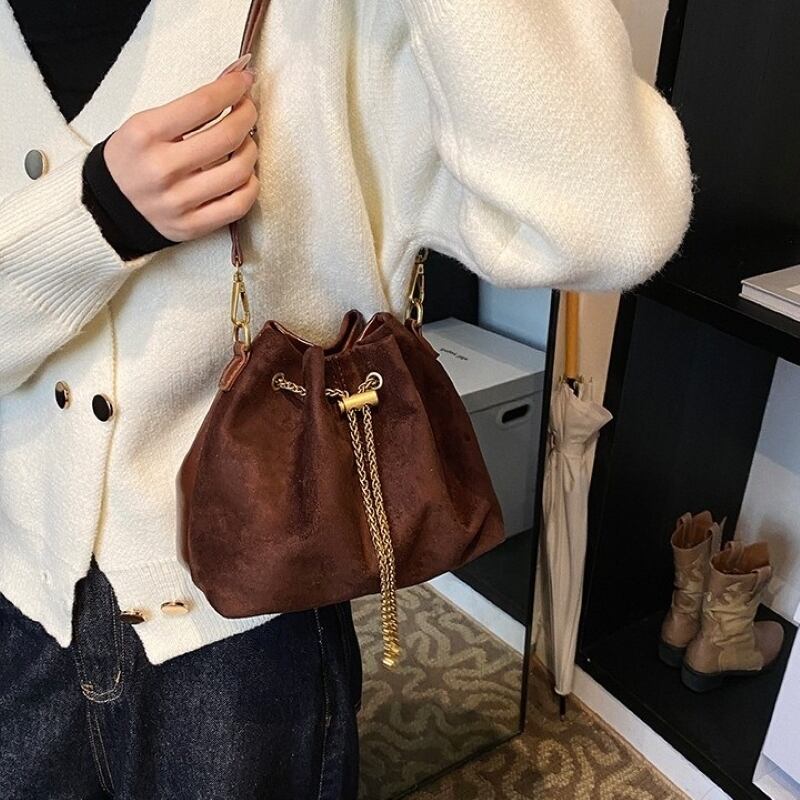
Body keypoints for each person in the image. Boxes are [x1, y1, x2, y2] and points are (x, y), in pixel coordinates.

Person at [0, 0, 694, 797]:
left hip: (247, 623)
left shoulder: (339, 21)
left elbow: (617, 223)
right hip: (14, 586)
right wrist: (94, 219)